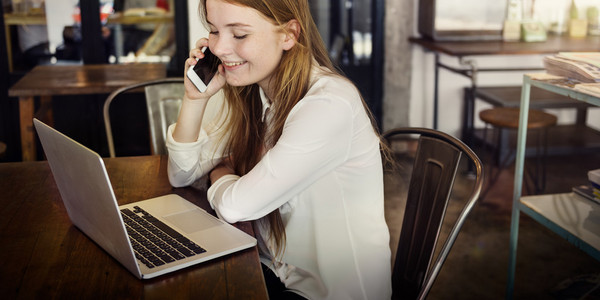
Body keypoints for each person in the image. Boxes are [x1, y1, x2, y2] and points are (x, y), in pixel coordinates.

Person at [166, 0, 392, 299]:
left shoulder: (328, 104)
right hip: (274, 271)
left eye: (239, 34)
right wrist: (195, 99)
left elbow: (236, 206)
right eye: (214, 31)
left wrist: (220, 172)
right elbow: (181, 174)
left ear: (288, 35)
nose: (219, 48)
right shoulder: (254, 90)